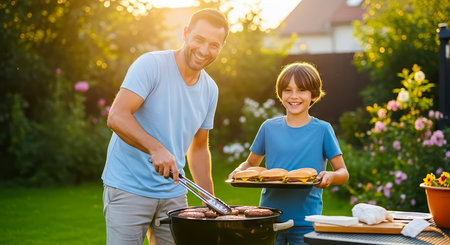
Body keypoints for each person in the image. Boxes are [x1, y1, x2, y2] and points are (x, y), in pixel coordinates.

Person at [101, 8, 229, 245]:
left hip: (173, 192)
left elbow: (199, 147)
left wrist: (208, 199)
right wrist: (155, 148)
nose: (204, 50)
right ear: (186, 33)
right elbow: (117, 116)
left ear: (221, 48)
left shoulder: (210, 89)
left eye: (214, 45)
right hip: (129, 187)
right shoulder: (151, 65)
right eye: (199, 39)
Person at [228, 62, 349, 245]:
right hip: (270, 217)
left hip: (306, 221)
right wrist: (238, 171)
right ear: (280, 94)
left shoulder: (323, 130)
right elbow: (251, 164)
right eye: (287, 90)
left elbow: (343, 173)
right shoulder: (268, 128)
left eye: (301, 90)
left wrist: (330, 176)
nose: (294, 96)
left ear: (313, 95)